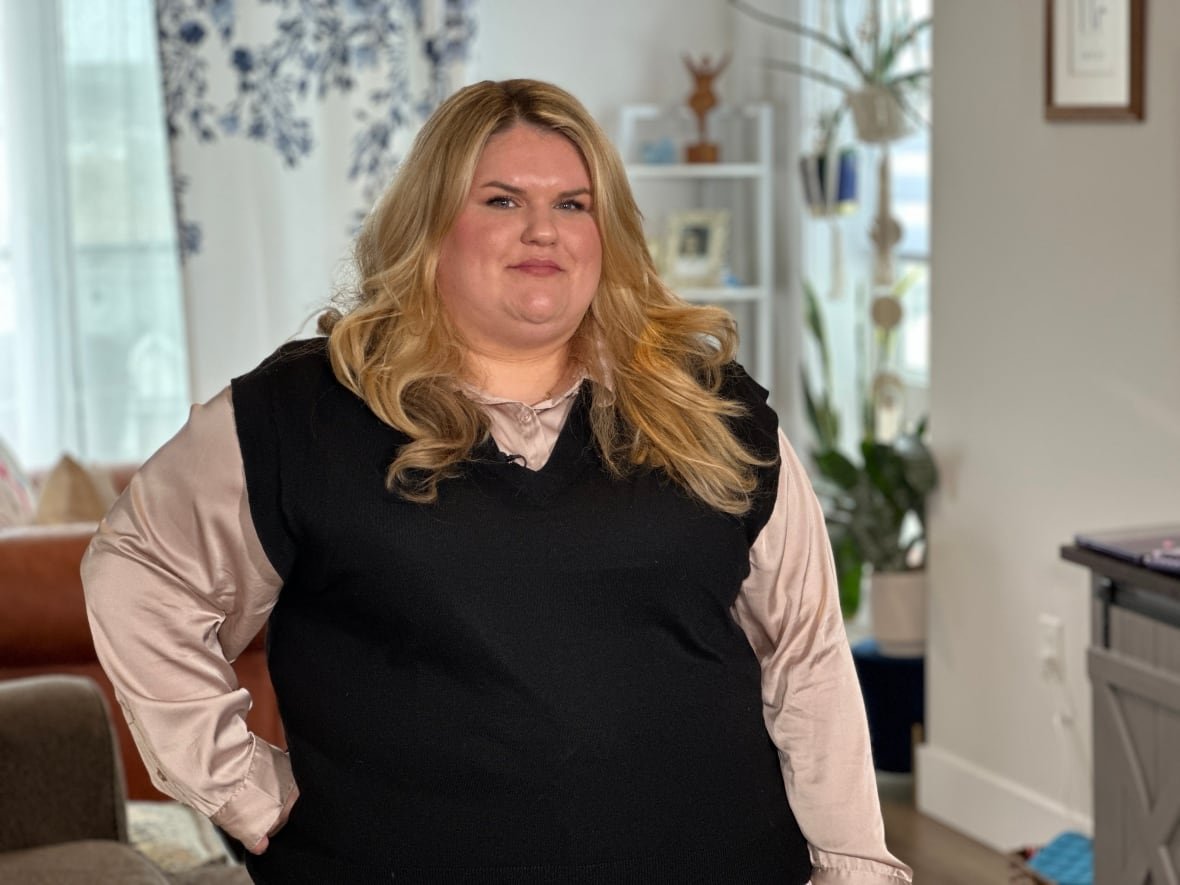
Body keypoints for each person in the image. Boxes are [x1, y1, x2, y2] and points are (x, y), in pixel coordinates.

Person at [83, 78, 911, 884]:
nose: (543, 232)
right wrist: (242, 786)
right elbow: (137, 575)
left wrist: (854, 864)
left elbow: (806, 656)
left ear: (606, 232)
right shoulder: (300, 413)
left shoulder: (714, 408)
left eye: (572, 204)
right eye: (503, 200)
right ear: (432, 224)